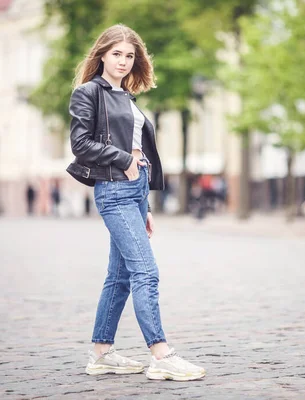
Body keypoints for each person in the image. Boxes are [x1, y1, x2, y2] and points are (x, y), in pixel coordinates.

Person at [67, 24, 205, 381]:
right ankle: (161, 355)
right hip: (113, 190)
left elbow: (141, 151)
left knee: (121, 277)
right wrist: (123, 158)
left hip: (134, 193)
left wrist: (144, 208)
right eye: (117, 54)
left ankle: (101, 353)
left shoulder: (126, 96)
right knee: (146, 272)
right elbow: (80, 144)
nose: (124, 61)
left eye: (130, 56)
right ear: (101, 55)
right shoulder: (88, 93)